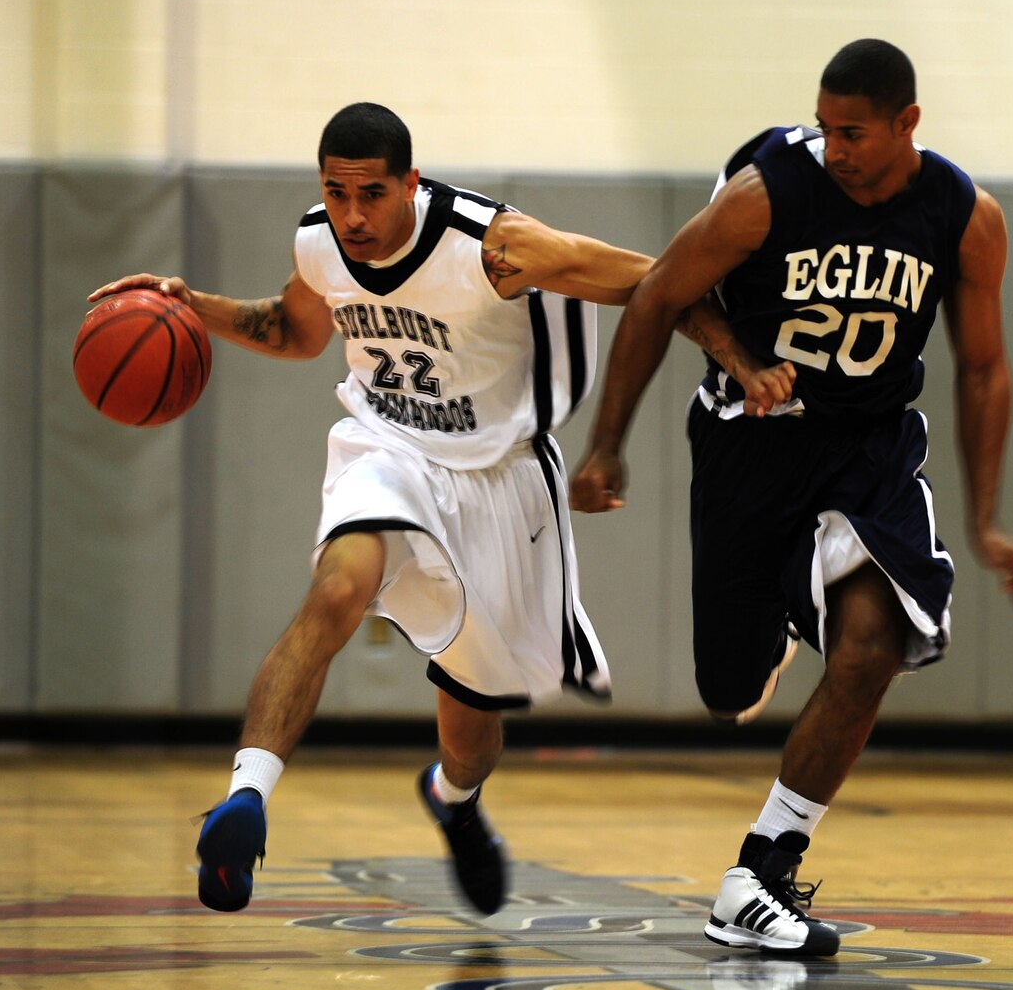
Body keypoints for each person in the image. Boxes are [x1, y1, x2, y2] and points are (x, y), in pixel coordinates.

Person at [89, 102, 767, 916]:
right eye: (336, 193)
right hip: (388, 452)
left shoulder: (494, 246)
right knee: (338, 589)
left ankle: (454, 796)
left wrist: (737, 358)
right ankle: (245, 798)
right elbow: (295, 330)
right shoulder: (319, 243)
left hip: (496, 479)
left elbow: (659, 280)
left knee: (472, 730)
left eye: (371, 193)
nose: (352, 216)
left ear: (411, 181)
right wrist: (189, 303)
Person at [571, 39, 1013, 957]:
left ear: (909, 123)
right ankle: (792, 612)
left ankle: (760, 872)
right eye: (825, 127)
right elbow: (657, 295)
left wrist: (986, 520)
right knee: (728, 687)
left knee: (874, 646)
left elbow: (984, 368)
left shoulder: (963, 216)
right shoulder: (767, 191)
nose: (835, 147)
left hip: (868, 450)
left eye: (855, 132)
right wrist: (605, 444)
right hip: (752, 444)